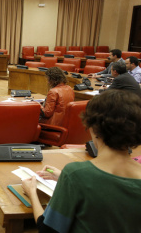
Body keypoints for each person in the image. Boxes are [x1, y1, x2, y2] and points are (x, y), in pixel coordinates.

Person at [22, 90, 141, 233]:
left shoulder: (75, 174)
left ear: (93, 128)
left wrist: (32, 192)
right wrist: (65, 179)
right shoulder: (76, 177)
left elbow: (47, 229)